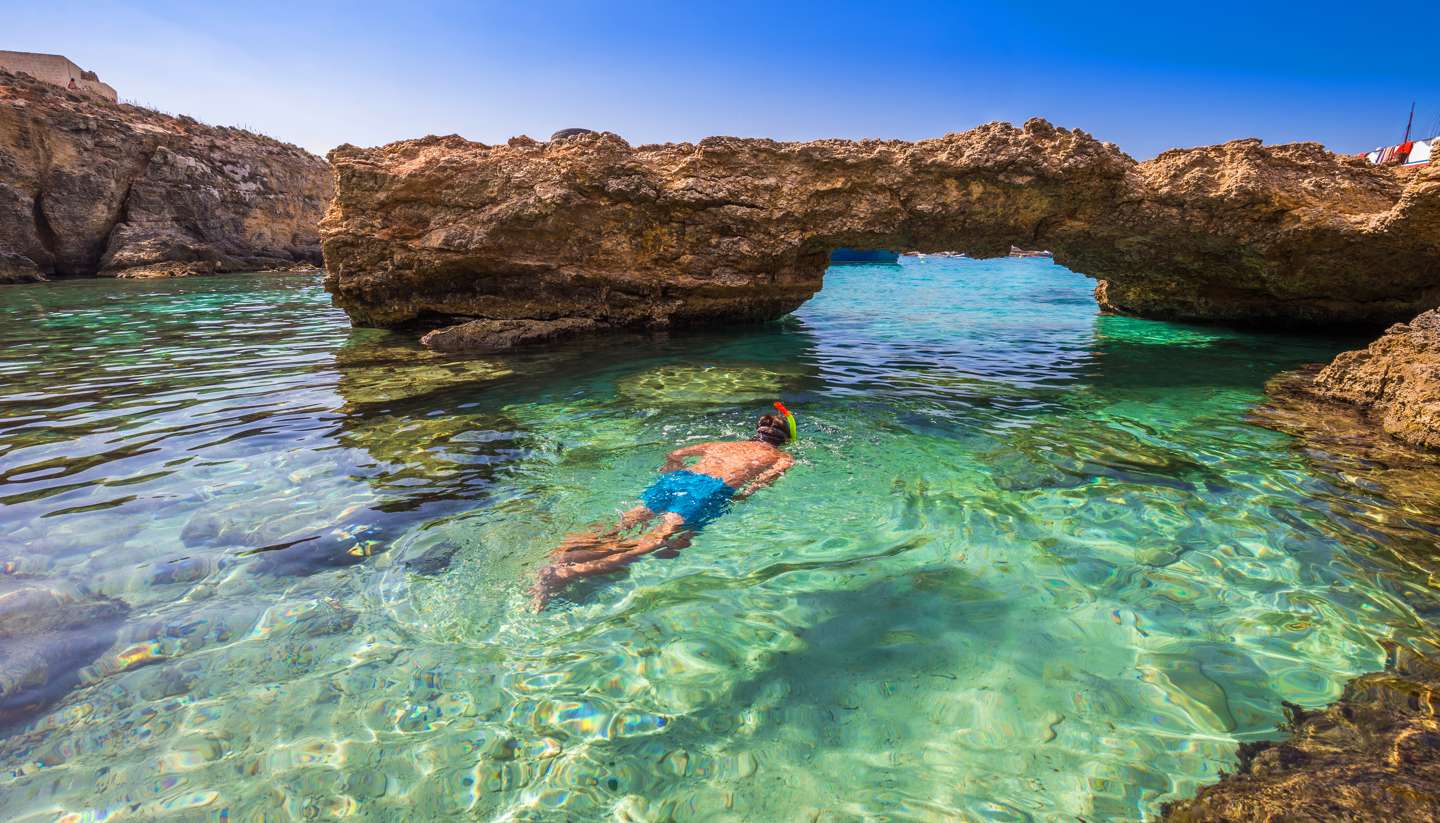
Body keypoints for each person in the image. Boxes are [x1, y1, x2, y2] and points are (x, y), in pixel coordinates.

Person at [532, 411, 796, 608]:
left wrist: (671, 472)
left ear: (758, 430)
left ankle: (556, 556)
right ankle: (566, 574)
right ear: (784, 440)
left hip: (678, 480)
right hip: (707, 491)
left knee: (619, 525)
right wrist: (740, 497)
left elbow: (677, 453)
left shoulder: (722, 444)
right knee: (654, 541)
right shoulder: (783, 457)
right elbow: (758, 485)